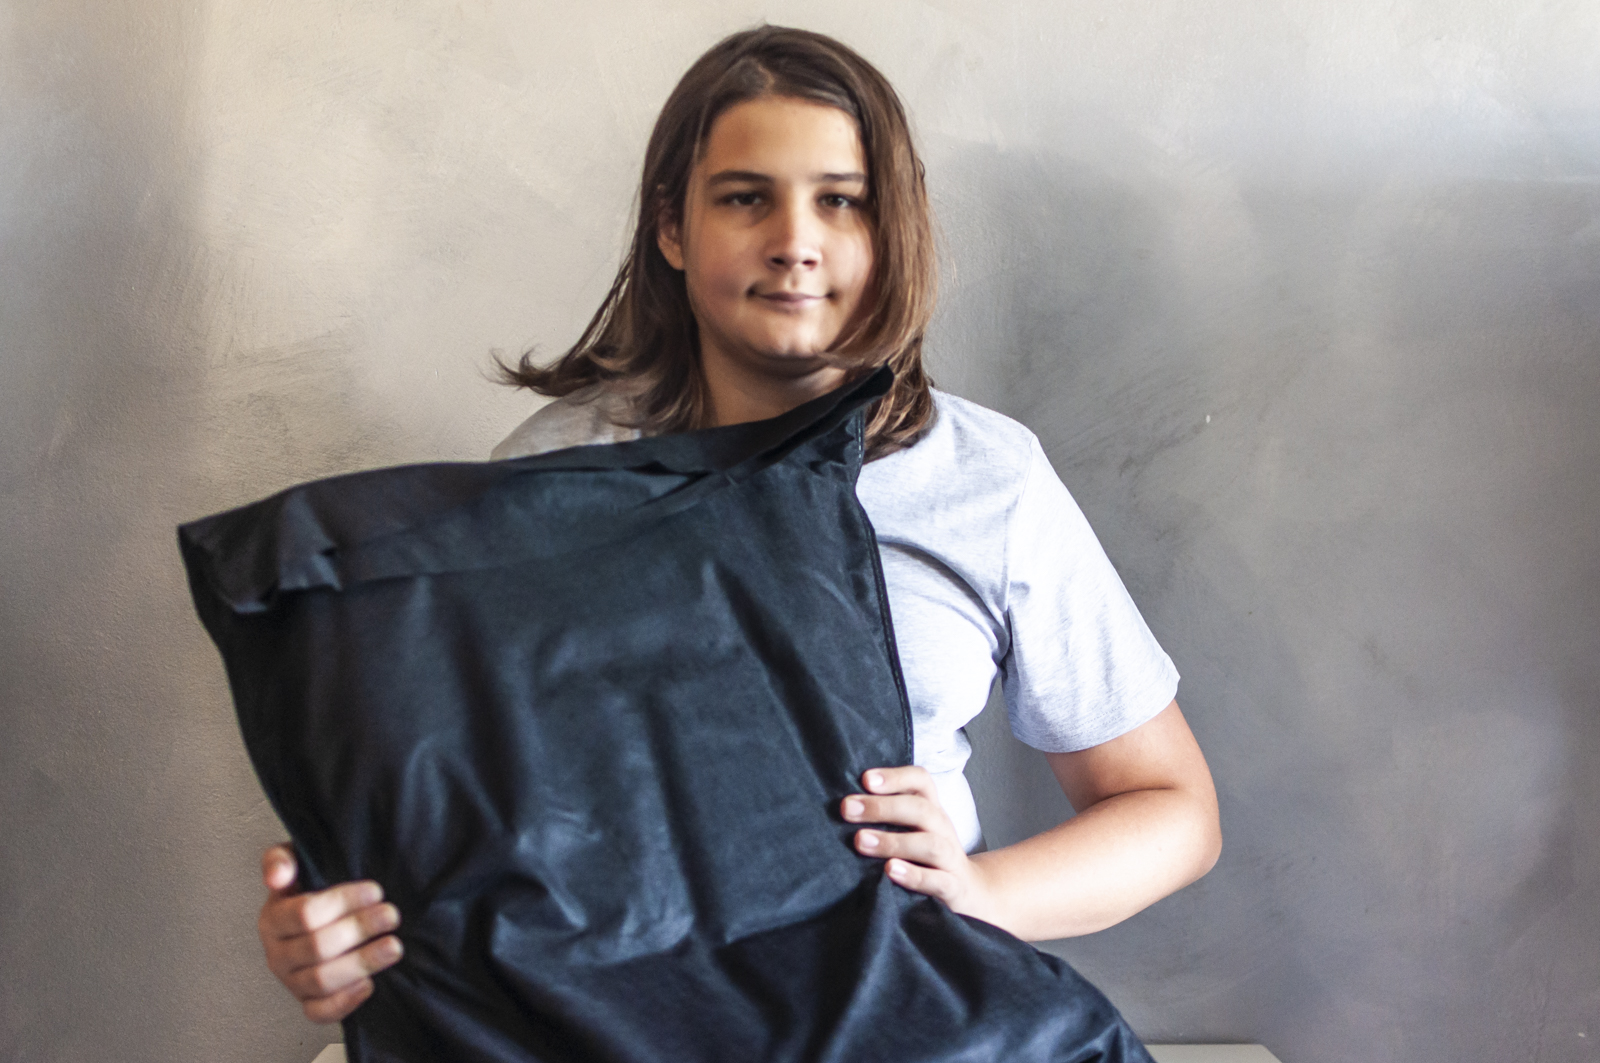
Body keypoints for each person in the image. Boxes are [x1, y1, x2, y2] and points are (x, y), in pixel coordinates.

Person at [255, 25, 1221, 1026]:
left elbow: (1171, 810)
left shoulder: (988, 480)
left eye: (840, 200)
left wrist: (985, 892)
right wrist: (331, 932)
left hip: (905, 1020)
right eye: (745, 197)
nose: (794, 240)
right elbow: (451, 813)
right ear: (672, 227)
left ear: (890, 230)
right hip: (616, 1029)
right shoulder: (550, 472)